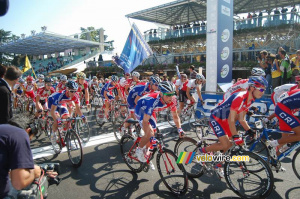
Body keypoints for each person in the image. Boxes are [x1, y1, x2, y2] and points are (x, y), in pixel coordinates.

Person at [198, 76, 268, 177]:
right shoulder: (240, 97)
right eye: (261, 89)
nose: (263, 92)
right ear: (252, 88)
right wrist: (235, 136)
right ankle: (201, 152)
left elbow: (241, 119)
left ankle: (218, 164)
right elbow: (232, 119)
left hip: (226, 120)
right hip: (217, 118)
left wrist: (249, 130)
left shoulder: (251, 99)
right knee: (225, 144)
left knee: (232, 145)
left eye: (264, 90)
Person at [134, 81, 184, 163]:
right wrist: (151, 136)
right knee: (150, 134)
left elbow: (175, 116)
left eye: (172, 94)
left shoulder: (173, 100)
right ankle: (139, 150)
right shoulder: (153, 101)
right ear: (161, 94)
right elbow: (145, 121)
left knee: (153, 133)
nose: (171, 98)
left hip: (151, 111)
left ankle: (146, 152)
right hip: (141, 109)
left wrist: (180, 129)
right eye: (168, 95)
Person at [0, 114, 41, 198]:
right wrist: (34, 172)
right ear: (28, 131)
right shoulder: (20, 133)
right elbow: (19, 183)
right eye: (29, 139)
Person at [269, 88, 300, 157]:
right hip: (282, 108)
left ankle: (274, 160)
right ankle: (272, 144)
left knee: (285, 139)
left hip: (284, 108)